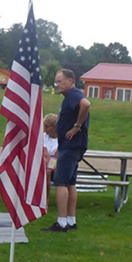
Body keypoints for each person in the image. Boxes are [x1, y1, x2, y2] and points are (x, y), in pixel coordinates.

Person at [42, 68, 90, 233]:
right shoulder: (70, 97)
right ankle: (71, 220)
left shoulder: (74, 95)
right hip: (72, 146)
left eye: (60, 81)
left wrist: (77, 126)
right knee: (70, 183)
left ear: (71, 81)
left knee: (61, 182)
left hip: (70, 146)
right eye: (56, 81)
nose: (57, 84)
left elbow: (86, 104)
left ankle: (61, 223)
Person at [42, 113, 58, 185]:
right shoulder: (43, 137)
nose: (45, 129)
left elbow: (56, 156)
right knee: (46, 170)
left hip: (56, 164)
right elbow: (45, 153)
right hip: (45, 162)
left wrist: (50, 167)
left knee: (48, 171)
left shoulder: (61, 139)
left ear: (55, 127)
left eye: (47, 126)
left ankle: (46, 196)